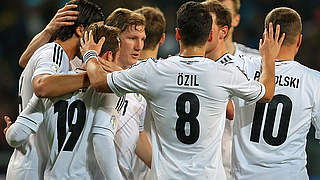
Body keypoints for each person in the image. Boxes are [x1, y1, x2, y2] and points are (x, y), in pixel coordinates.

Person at [81, 1, 283, 179]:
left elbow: (98, 82)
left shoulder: (155, 71)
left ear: (177, 33)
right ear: (210, 35)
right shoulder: (224, 74)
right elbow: (267, 93)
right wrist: (269, 57)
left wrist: (90, 54)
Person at [6, 24, 123, 180]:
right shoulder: (112, 89)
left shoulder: (55, 85)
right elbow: (101, 139)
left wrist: (10, 130)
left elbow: (16, 136)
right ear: (109, 56)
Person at [231, 7, 320, 180]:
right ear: (299, 41)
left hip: (245, 176)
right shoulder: (314, 80)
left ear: (265, 37)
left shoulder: (240, 67)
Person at [103, 8, 153, 179]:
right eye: (132, 38)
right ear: (115, 39)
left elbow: (137, 133)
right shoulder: (95, 78)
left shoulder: (137, 81)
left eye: (142, 39)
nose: (139, 46)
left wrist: (162, 168)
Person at [216, 0, 261, 178]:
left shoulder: (258, 61)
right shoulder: (189, 64)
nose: (218, 20)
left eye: (224, 13)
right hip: (203, 168)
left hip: (246, 167)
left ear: (236, 19)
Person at [131, 6, 166, 180]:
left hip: (118, 167)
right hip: (156, 168)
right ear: (162, 39)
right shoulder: (170, 76)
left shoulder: (118, 75)